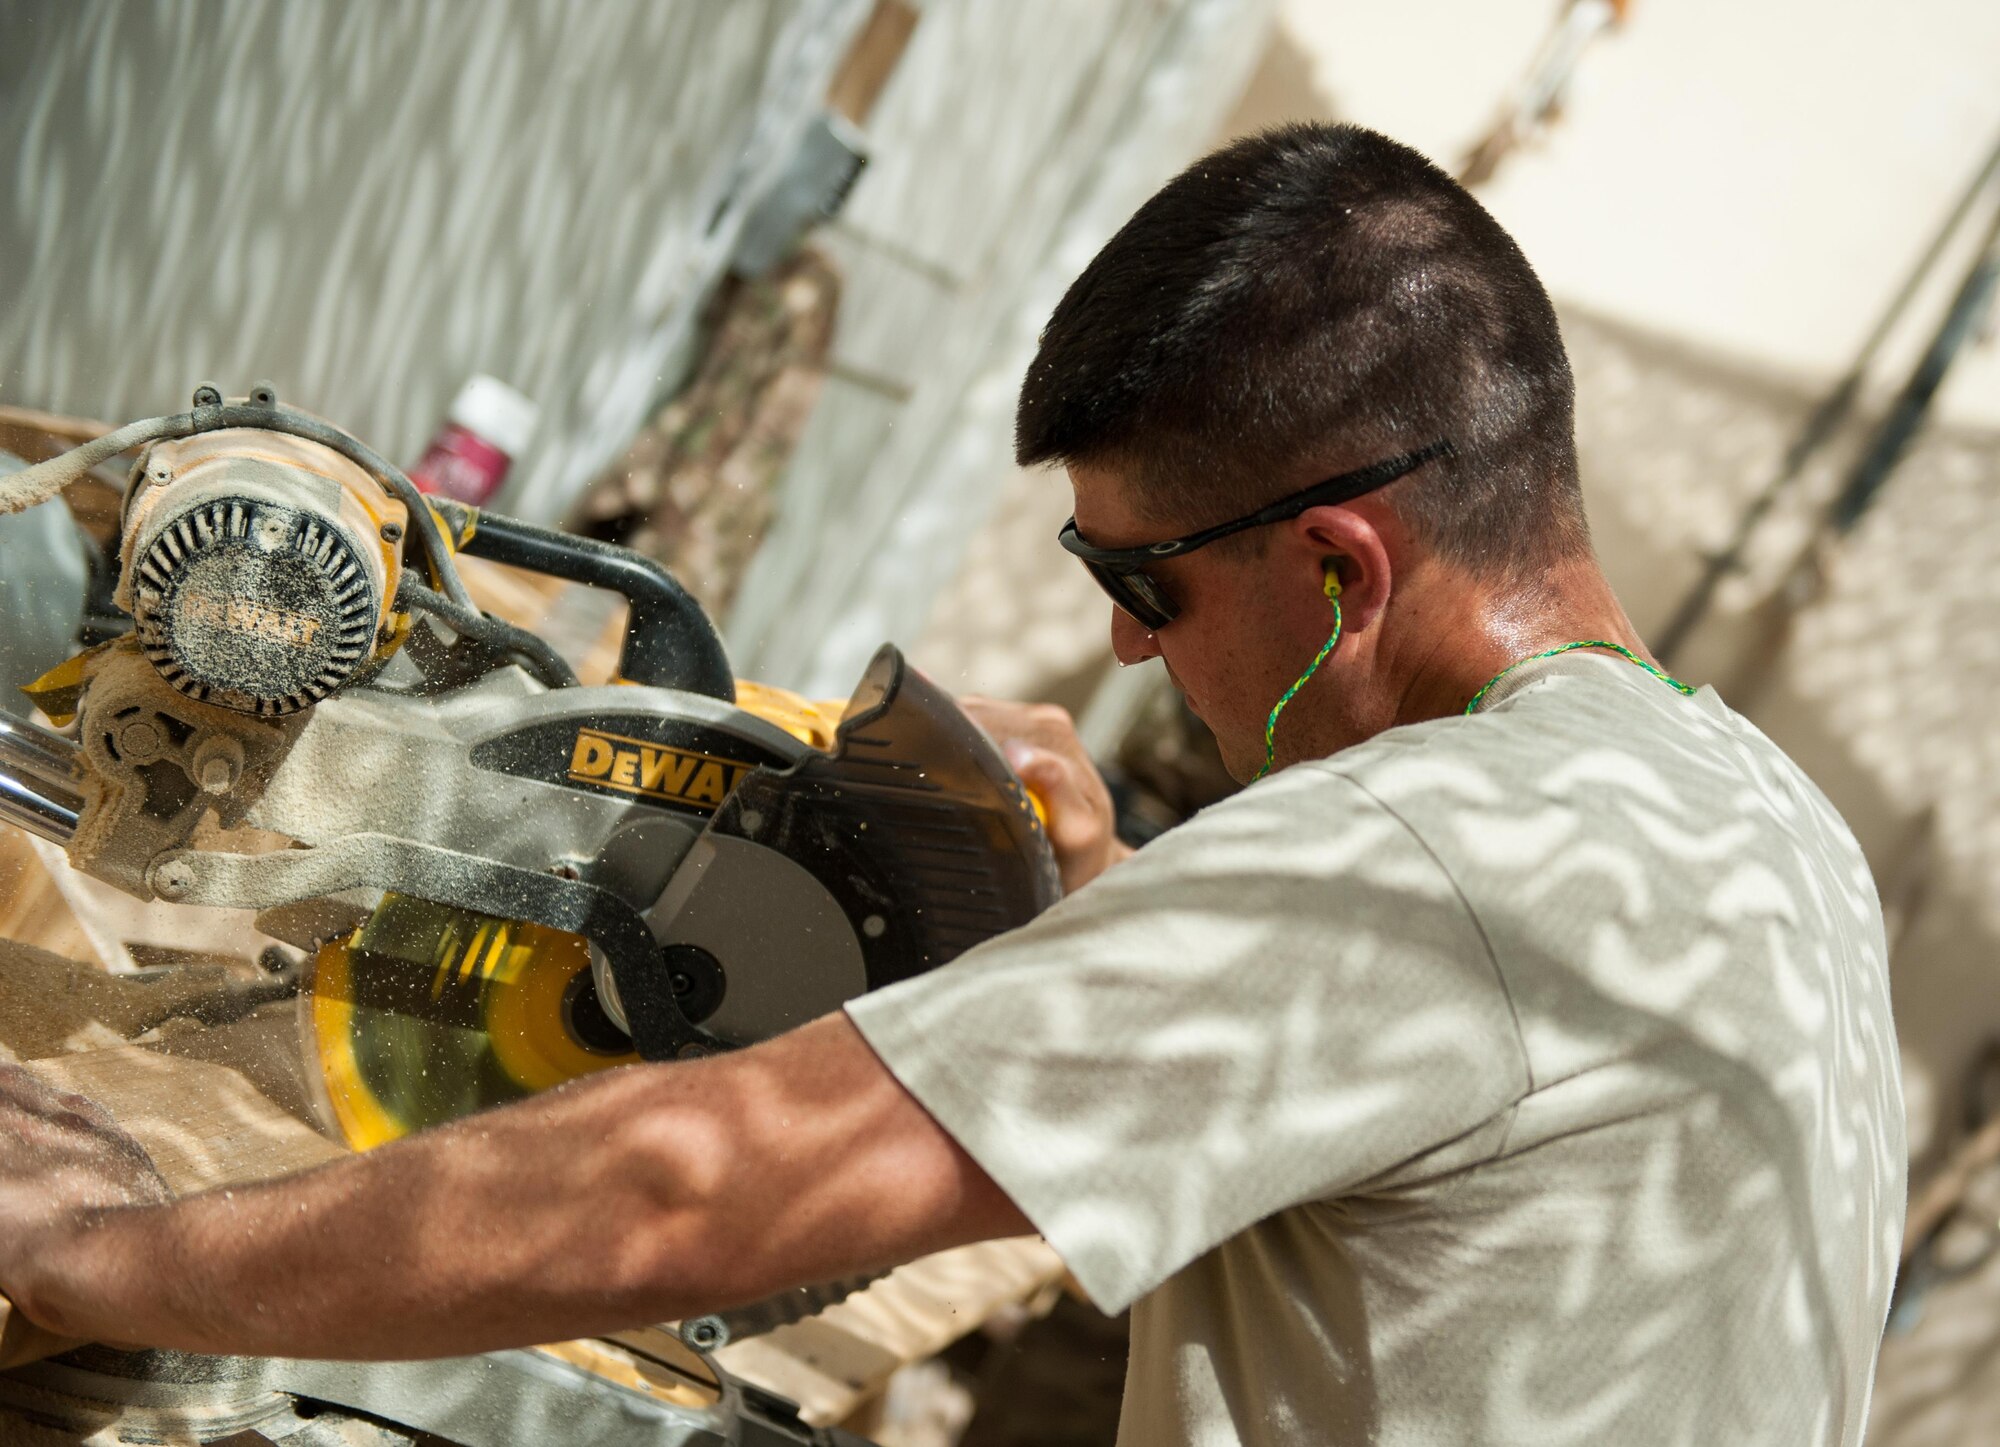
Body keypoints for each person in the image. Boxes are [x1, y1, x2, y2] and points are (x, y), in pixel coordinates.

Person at [0, 123, 1903, 1446]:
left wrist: (94, 1252)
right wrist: (1095, 947)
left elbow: (688, 1180)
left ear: (1340, 571)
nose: (1138, 653)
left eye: (1139, 584)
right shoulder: (1752, 830)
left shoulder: (1434, 855)